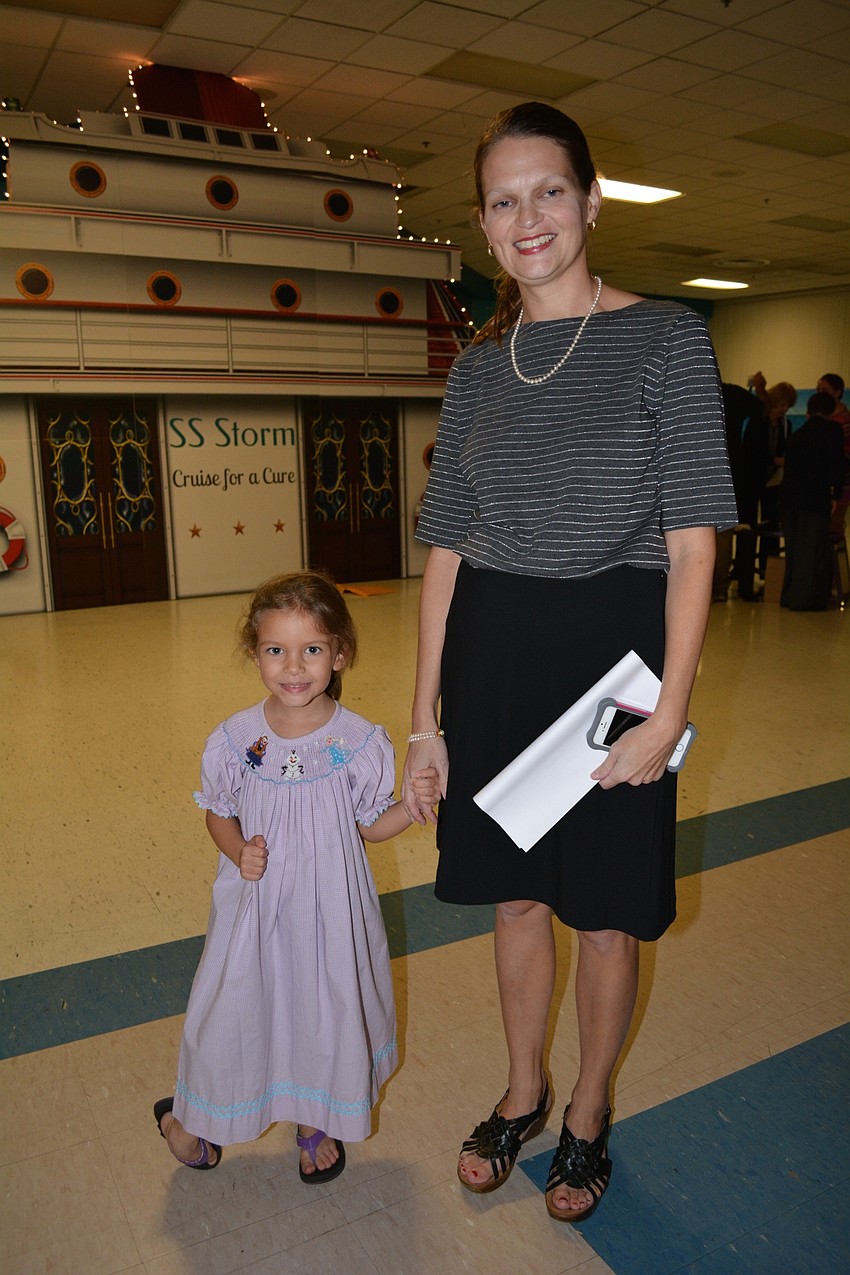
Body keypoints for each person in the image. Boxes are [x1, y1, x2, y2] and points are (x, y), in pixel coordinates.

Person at [401, 102, 737, 1225]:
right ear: (485, 229)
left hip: (614, 669)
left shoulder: (669, 338)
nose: (528, 216)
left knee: (600, 913)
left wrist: (667, 711)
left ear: (589, 202)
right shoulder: (475, 373)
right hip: (495, 657)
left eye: (548, 190)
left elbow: (694, 542)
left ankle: (588, 1108)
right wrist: (422, 721)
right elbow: (444, 551)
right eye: (504, 200)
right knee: (511, 905)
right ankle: (523, 1088)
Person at [154, 571, 438, 1181]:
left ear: (340, 654)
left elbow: (368, 824)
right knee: (233, 1006)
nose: (293, 667)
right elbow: (217, 813)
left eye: (312, 650)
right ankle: (193, 1115)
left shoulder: (360, 743)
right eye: (275, 650)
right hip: (256, 908)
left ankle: (315, 1116)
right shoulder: (235, 740)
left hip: (331, 911)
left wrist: (410, 809)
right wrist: (236, 851)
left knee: (322, 1007)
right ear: (254, 653)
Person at [780, 392, 846, 610]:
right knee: (809, 552)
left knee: (793, 551)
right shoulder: (832, 430)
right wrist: (835, 495)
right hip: (814, 501)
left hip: (790, 502)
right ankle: (802, 600)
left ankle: (788, 596)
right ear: (830, 411)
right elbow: (836, 464)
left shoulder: (797, 434)